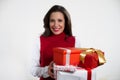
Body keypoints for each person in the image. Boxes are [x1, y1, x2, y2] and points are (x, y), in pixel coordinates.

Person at [31, 5, 81, 80]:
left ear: (66, 22)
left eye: (60, 20)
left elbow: (79, 68)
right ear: (48, 22)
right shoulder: (39, 40)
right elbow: (33, 70)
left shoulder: (75, 41)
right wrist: (47, 70)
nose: (56, 25)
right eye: (52, 21)